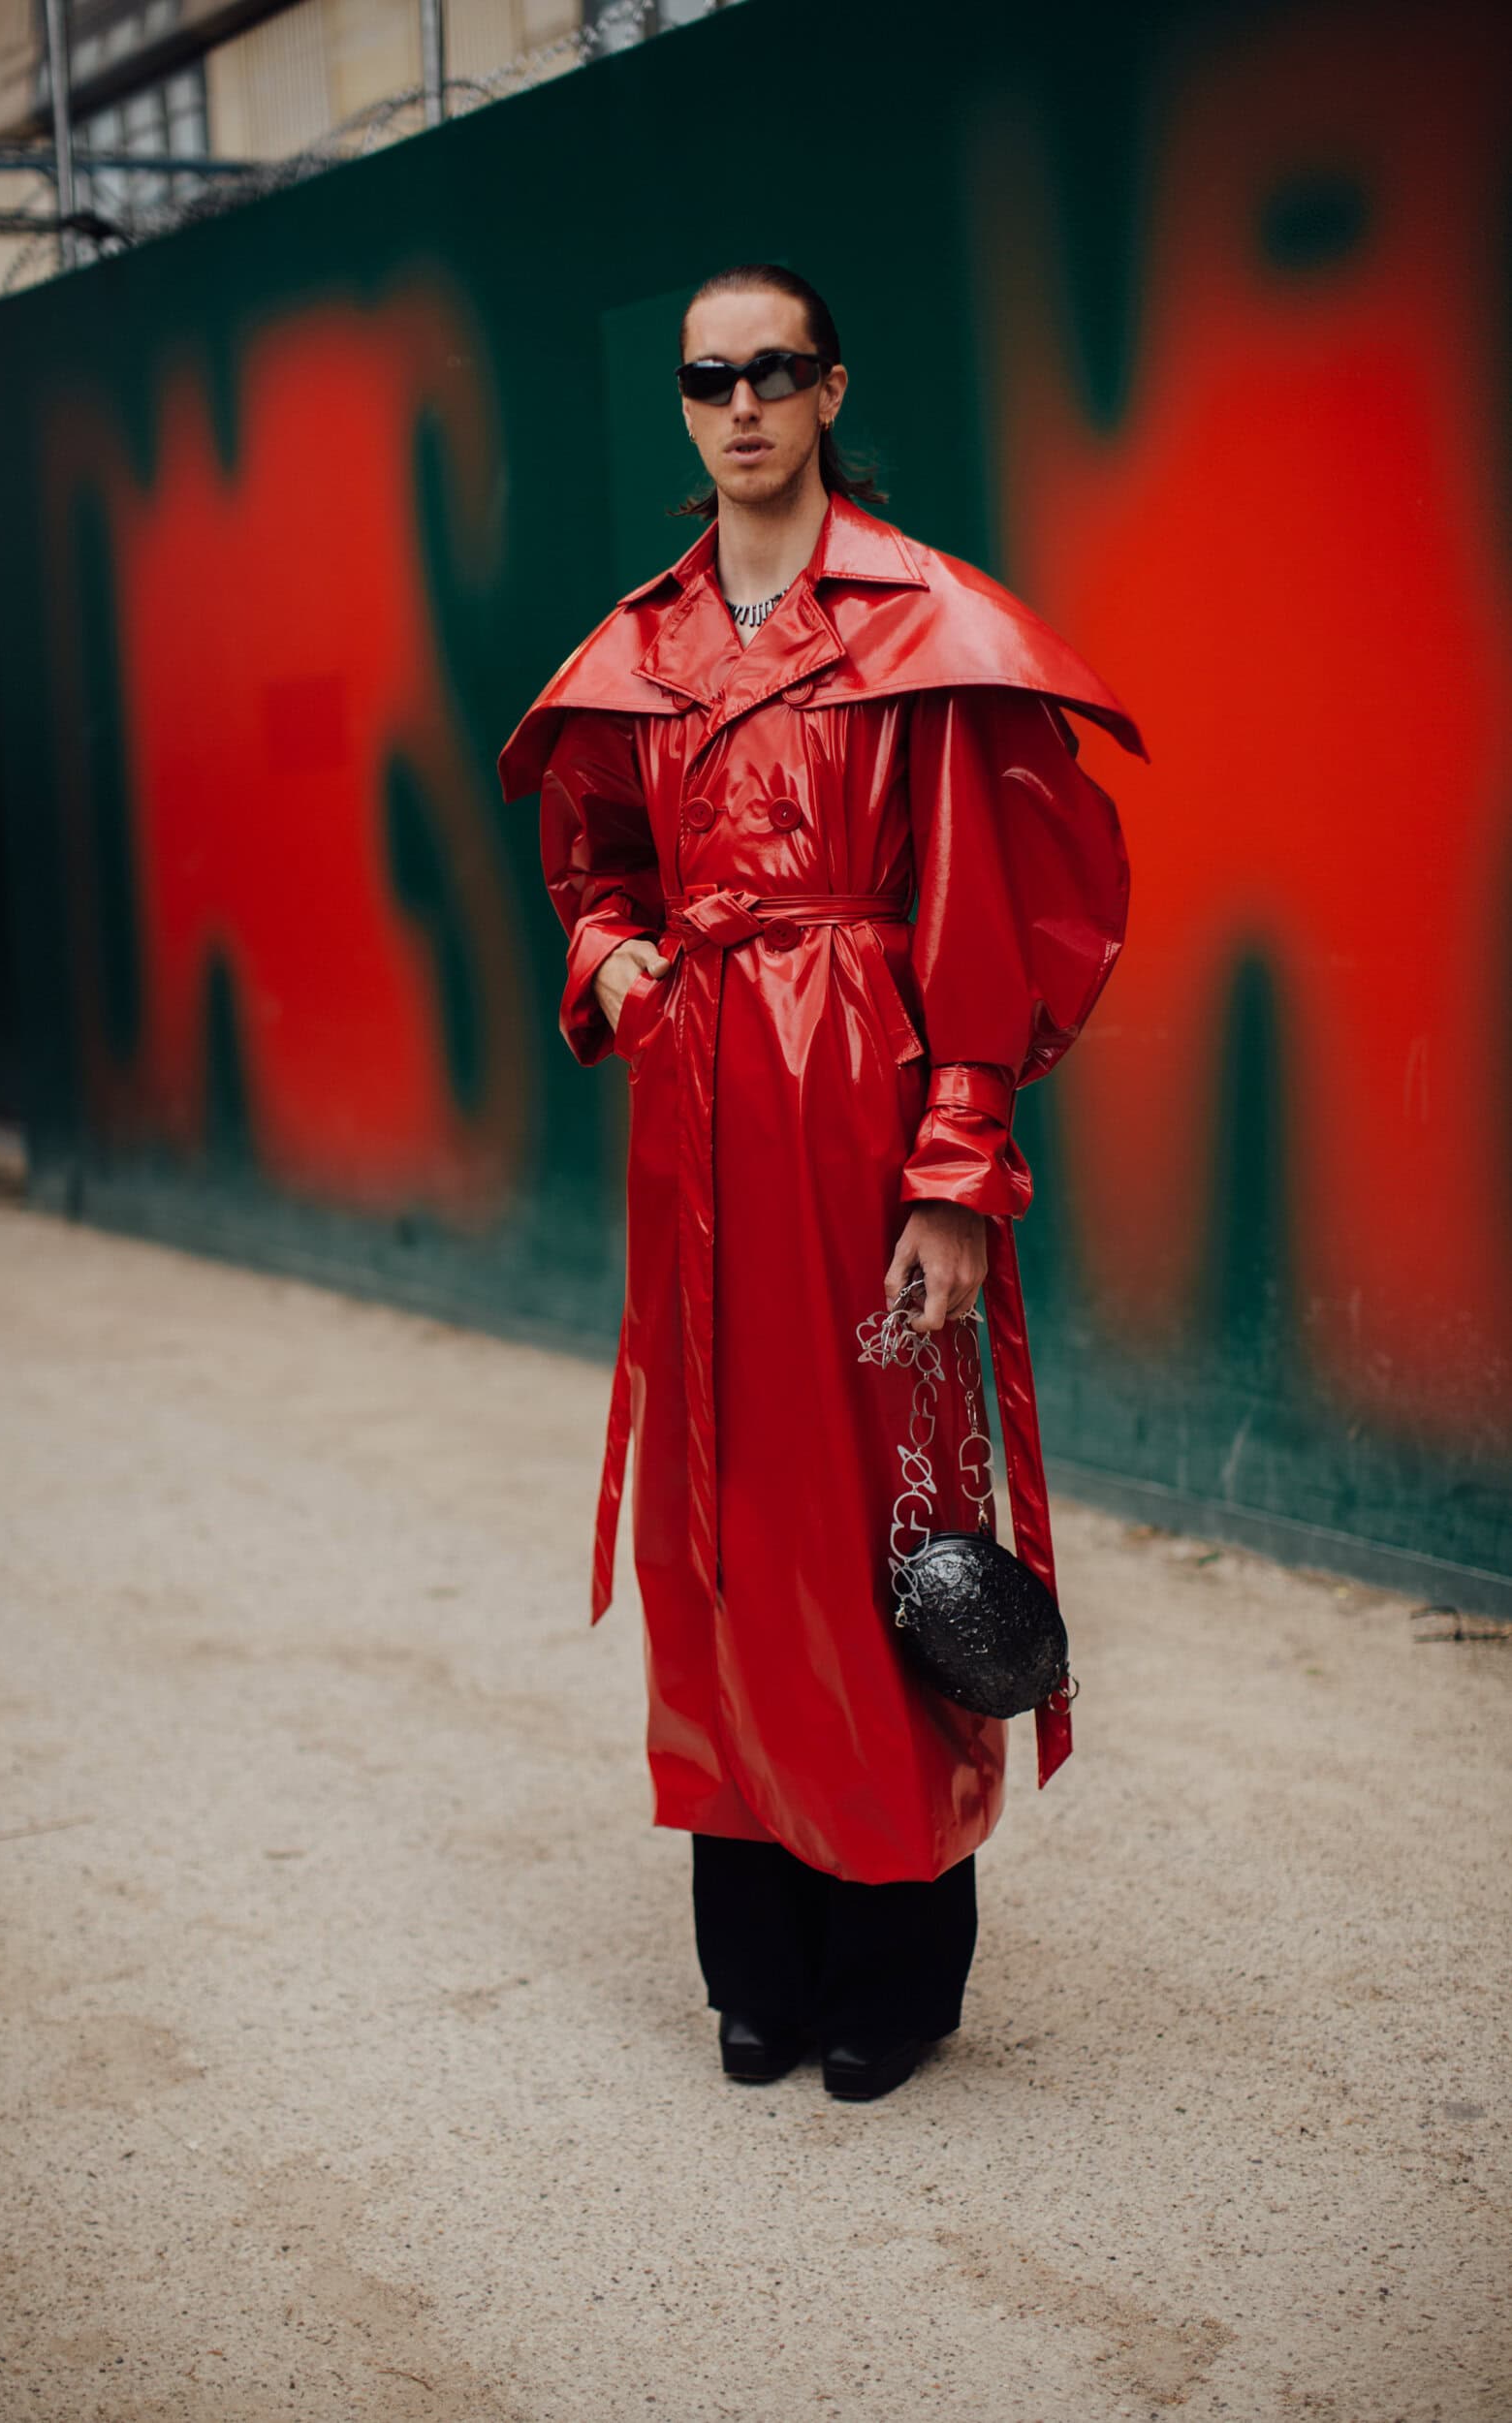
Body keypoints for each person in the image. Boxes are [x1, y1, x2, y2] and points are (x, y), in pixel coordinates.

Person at [497, 264, 1145, 2101]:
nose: (742, 405)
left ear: (831, 389)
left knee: (875, 1524)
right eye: (709, 377)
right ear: (684, 404)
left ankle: (893, 1969)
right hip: (697, 1123)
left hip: (865, 1115)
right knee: (715, 1524)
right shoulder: (643, 649)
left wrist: (955, 1174)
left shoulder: (920, 624)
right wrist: (615, 957)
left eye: (774, 370)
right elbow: (591, 863)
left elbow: (991, 913)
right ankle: (758, 1963)